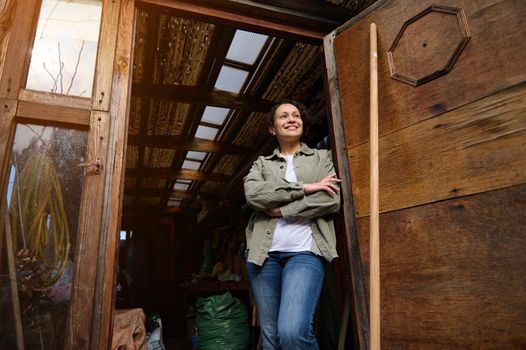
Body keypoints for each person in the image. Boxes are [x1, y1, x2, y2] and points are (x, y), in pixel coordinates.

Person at [243, 99, 341, 349]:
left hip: (305, 253)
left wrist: (282, 210)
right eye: (283, 116)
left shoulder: (321, 158)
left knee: (292, 332)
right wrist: (306, 187)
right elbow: (254, 195)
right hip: (263, 257)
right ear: (272, 129)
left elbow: (331, 200)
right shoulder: (262, 165)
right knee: (272, 340)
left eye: (296, 115)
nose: (291, 119)